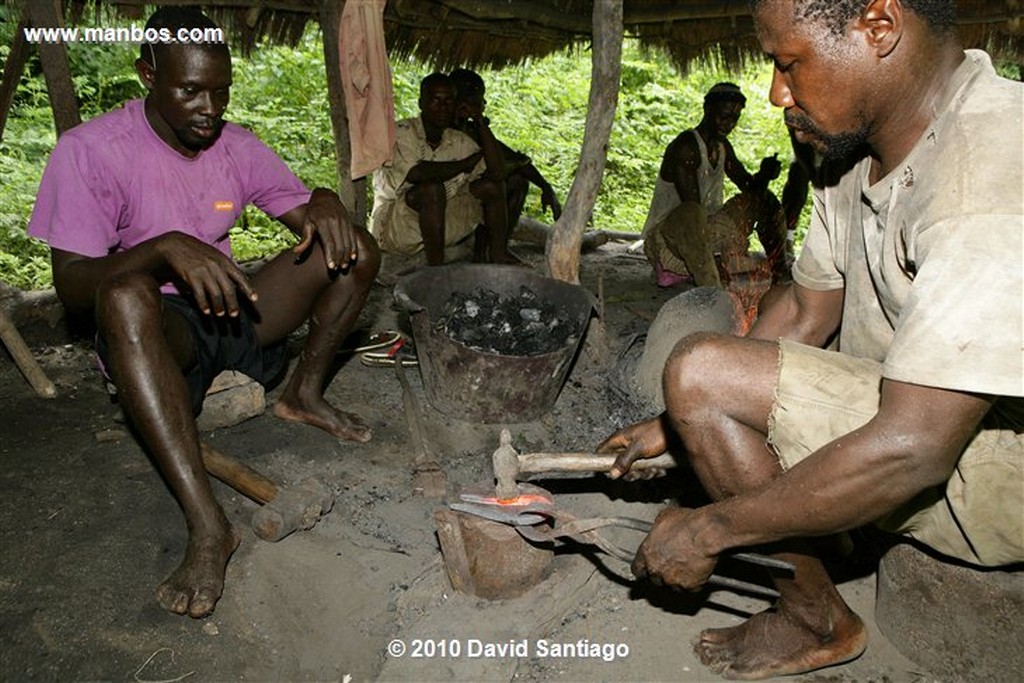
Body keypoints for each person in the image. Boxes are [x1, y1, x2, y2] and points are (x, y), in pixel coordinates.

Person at [598, 0, 1023, 679]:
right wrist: (675, 423)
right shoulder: (854, 151)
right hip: (911, 420)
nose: (775, 92)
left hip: (997, 468)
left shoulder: (990, 168)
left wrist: (711, 528)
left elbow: (915, 447)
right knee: (702, 377)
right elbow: (802, 310)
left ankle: (815, 619)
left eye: (788, 63)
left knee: (699, 373)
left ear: (879, 29)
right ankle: (831, 533)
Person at [27, 7, 380, 619]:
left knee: (354, 247)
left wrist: (324, 200)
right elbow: (71, 286)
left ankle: (303, 394)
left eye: (220, 92)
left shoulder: (236, 146)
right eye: (190, 90)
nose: (208, 108)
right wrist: (160, 249)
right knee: (124, 293)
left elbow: (306, 216)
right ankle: (208, 524)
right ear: (147, 74)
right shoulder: (89, 152)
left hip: (233, 309)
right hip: (161, 335)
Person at [640, 82, 788, 288]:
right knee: (692, 212)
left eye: (734, 119)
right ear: (707, 109)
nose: (729, 124)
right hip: (670, 241)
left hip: (707, 232)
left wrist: (764, 175)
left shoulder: (722, 147)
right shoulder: (686, 147)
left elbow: (749, 188)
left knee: (764, 198)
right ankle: (710, 287)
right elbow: (692, 211)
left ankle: (779, 269)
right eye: (724, 116)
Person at [370, 72, 512, 266]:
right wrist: (464, 165)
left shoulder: (457, 140)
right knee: (432, 189)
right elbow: (417, 173)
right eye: (436, 100)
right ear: (421, 103)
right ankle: (436, 270)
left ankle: (499, 257)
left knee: (492, 187)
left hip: (437, 220)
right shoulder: (402, 131)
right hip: (395, 227)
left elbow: (498, 173)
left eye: (449, 101)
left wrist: (479, 120)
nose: (443, 108)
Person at [448, 67, 562, 231]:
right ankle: (491, 251)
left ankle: (490, 249)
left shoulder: (474, 130)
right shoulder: (435, 128)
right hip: (444, 200)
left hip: (468, 200)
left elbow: (517, 161)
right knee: (493, 185)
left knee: (516, 181)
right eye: (479, 101)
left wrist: (546, 187)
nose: (483, 105)